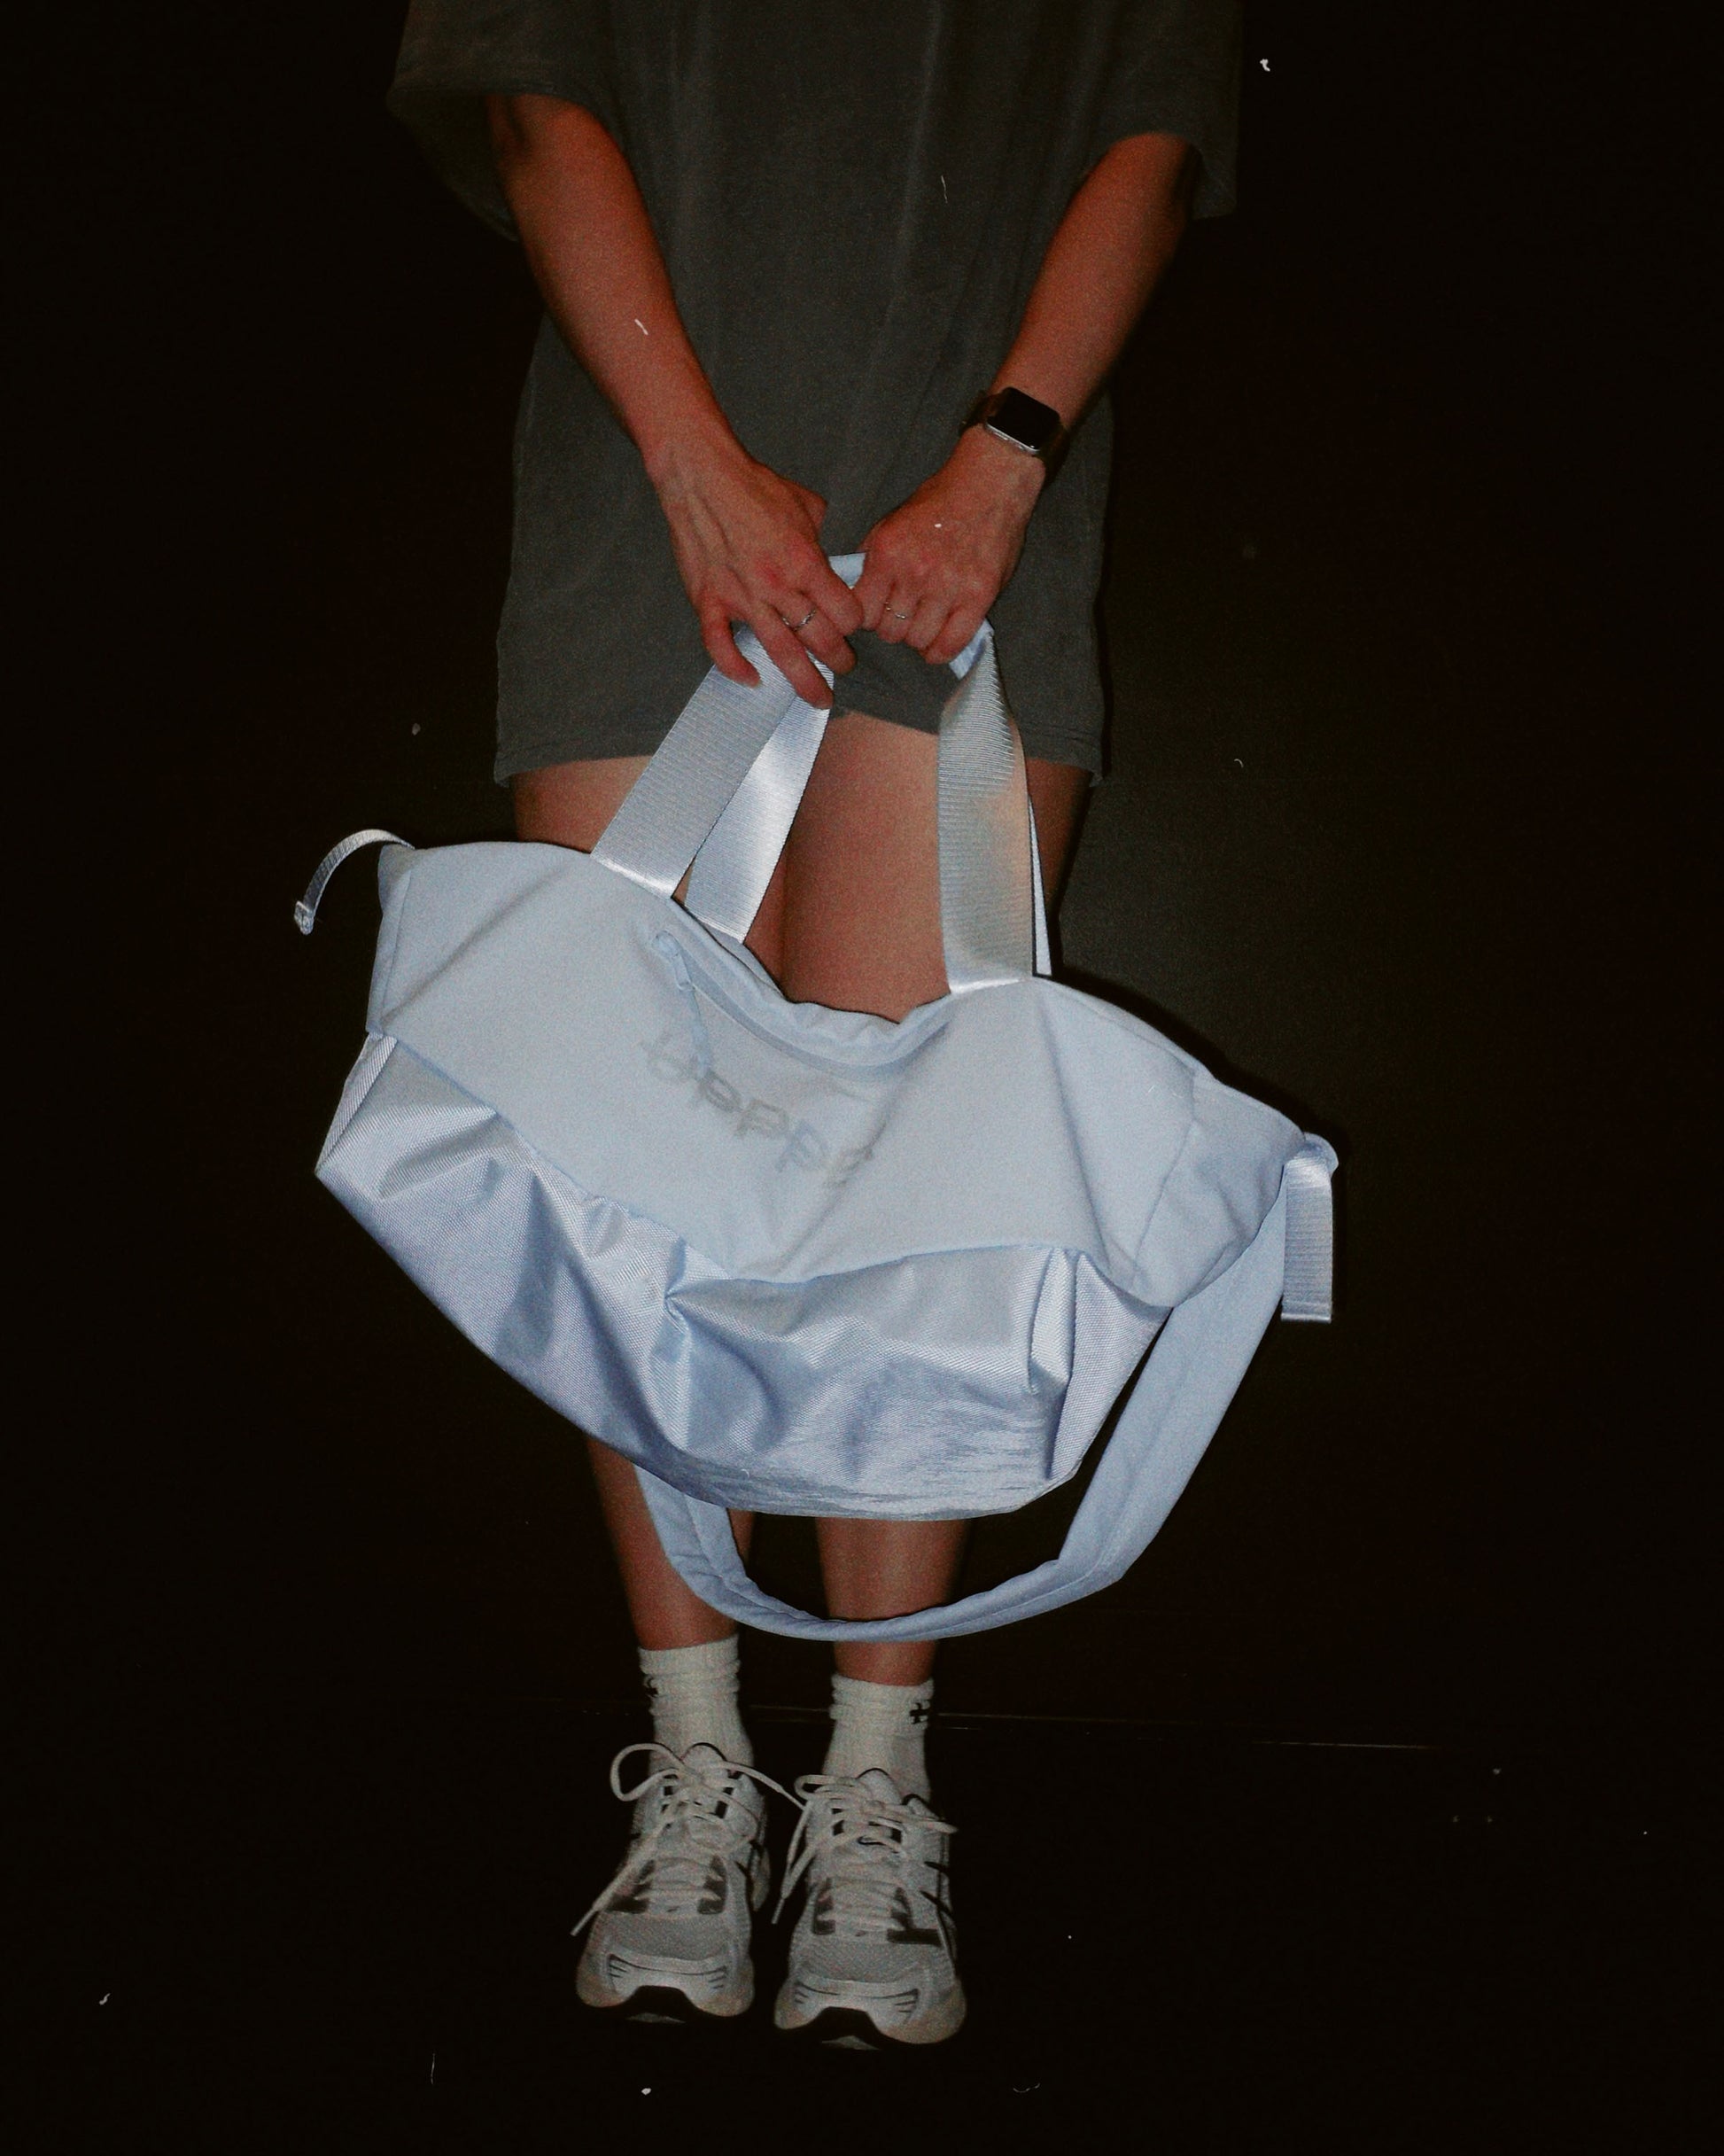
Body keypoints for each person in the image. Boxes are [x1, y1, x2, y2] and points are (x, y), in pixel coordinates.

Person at [387, 0, 1240, 2049]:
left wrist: (1005, 459)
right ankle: (693, 1767)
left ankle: (871, 1785)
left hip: (978, 523)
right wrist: (689, 468)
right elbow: (535, 88)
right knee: (626, 1185)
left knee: (909, 1191)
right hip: (650, 503)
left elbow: (1149, 122)